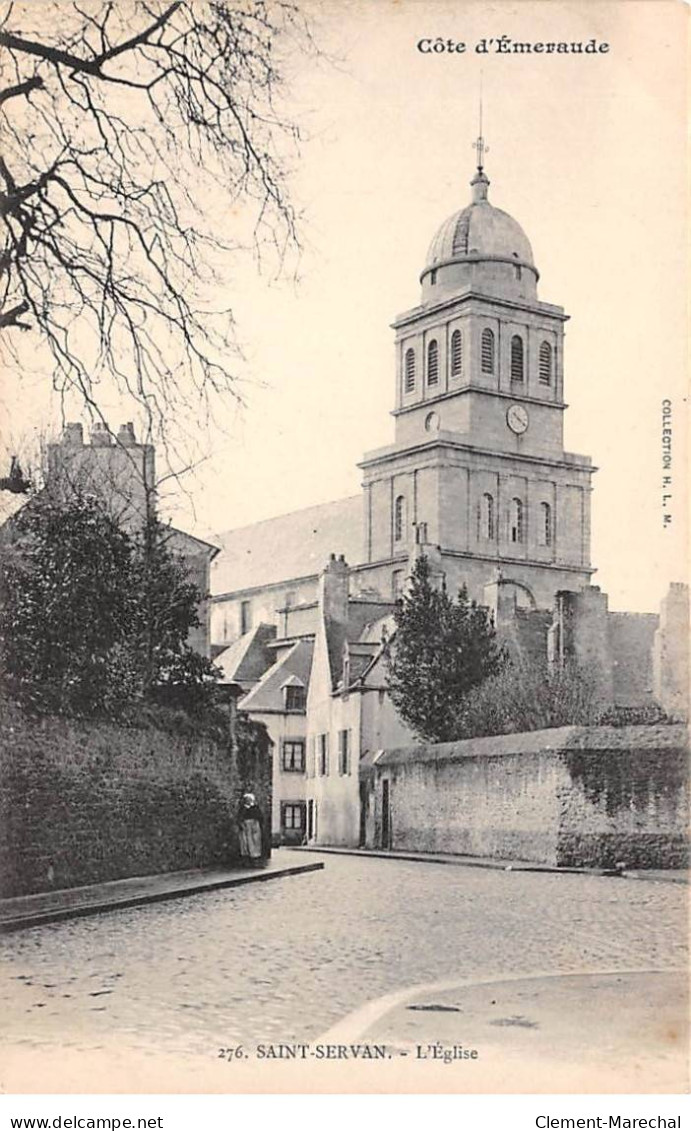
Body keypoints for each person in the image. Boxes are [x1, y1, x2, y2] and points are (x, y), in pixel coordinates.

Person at [237, 792, 265, 866]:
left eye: (249, 799)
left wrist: (258, 824)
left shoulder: (255, 808)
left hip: (254, 826)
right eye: (246, 799)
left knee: (255, 842)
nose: (248, 801)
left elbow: (260, 817)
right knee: (245, 842)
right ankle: (246, 859)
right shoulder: (243, 808)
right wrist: (241, 824)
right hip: (245, 827)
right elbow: (239, 817)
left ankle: (255, 859)